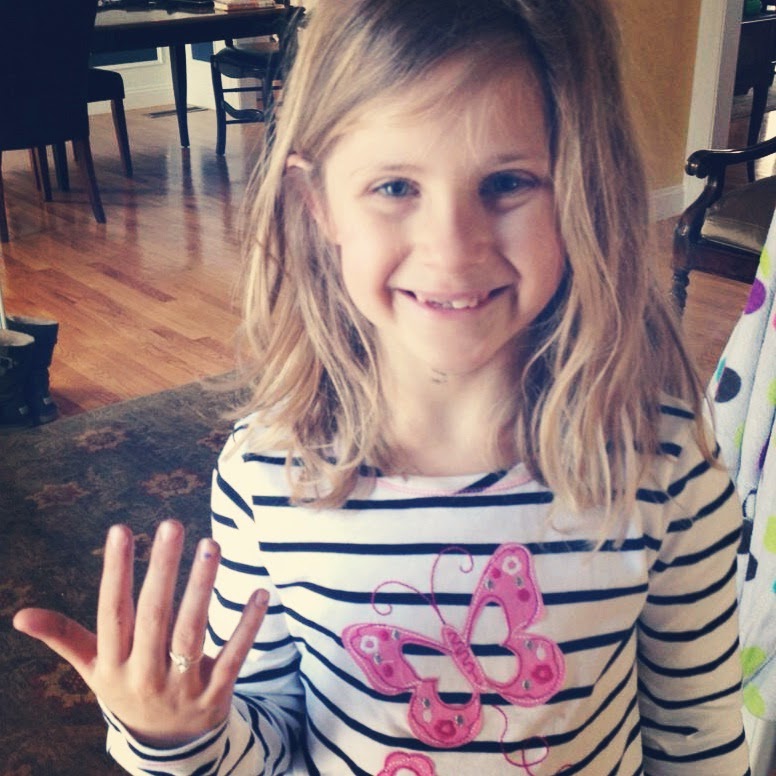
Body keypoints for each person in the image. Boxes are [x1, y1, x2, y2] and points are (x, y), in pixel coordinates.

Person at [13, 0, 751, 773]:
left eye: (507, 182)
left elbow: (696, 737)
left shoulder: (666, 464)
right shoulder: (269, 473)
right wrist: (175, 736)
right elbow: (266, 736)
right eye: (396, 186)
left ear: (584, 191)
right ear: (318, 205)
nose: (452, 250)